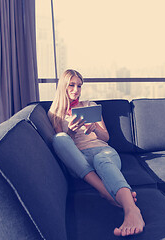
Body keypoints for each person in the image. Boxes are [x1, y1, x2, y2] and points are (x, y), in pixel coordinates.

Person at [48, 69, 145, 237]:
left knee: (101, 159)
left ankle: (132, 210)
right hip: (78, 159)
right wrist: (70, 132)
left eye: (79, 86)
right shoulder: (55, 114)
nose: (76, 90)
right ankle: (108, 192)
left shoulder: (90, 106)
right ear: (63, 86)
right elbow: (64, 147)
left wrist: (94, 129)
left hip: (102, 151)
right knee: (60, 139)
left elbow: (105, 137)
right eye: (72, 85)